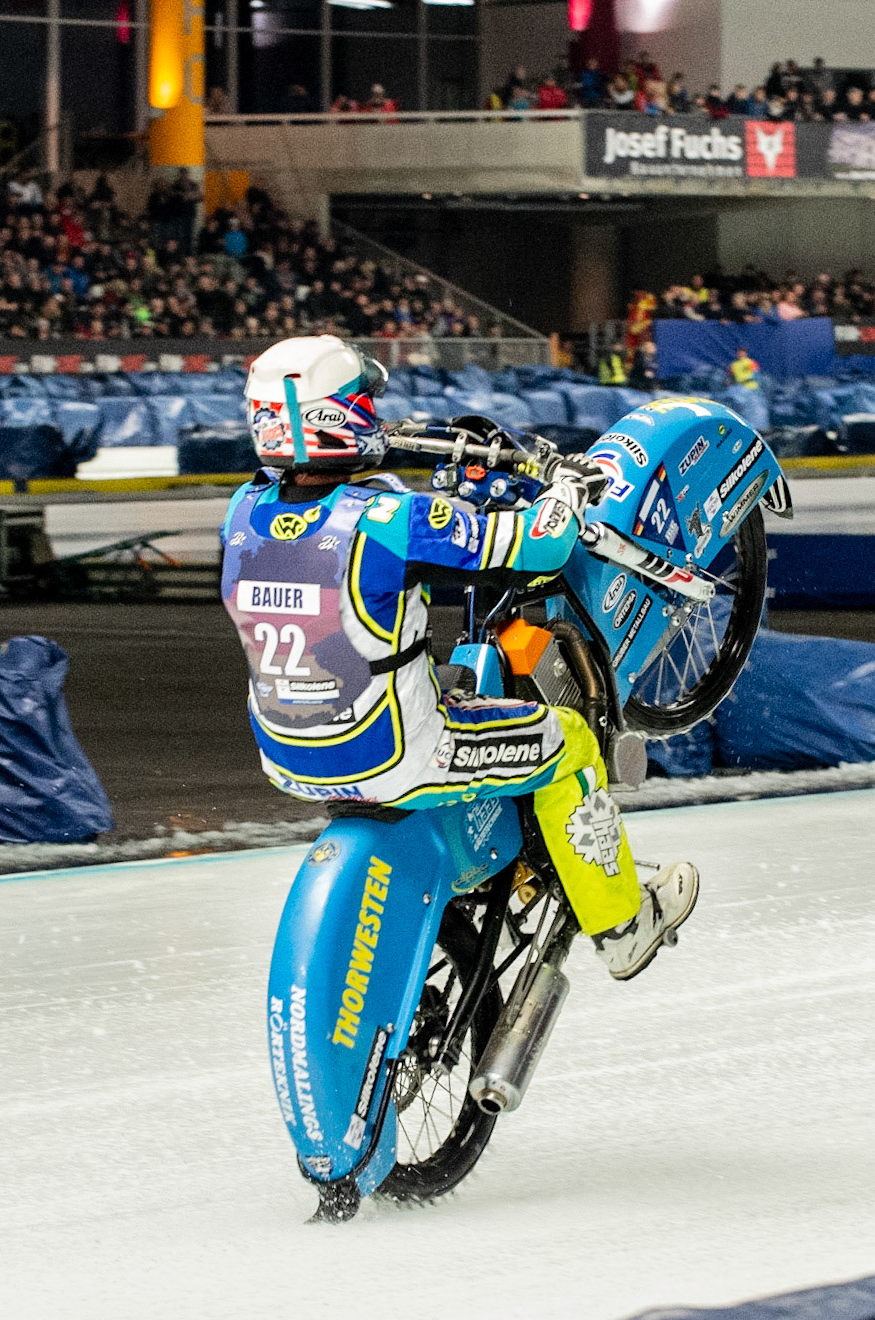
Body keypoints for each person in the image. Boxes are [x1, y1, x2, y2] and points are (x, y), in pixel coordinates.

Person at [220, 335, 699, 981]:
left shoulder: (240, 511)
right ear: (345, 415)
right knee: (574, 745)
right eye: (365, 400)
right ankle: (623, 926)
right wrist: (564, 486)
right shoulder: (388, 518)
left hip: (287, 757)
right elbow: (539, 545)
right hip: (391, 754)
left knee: (440, 676)